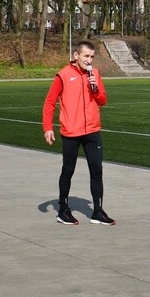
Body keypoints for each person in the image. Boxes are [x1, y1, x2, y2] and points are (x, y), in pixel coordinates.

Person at [42, 40, 115, 225]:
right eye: (86, 56)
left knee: (97, 170)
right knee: (68, 171)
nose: (89, 60)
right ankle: (63, 209)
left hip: (92, 130)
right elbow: (50, 102)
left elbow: (102, 100)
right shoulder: (63, 75)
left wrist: (95, 87)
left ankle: (97, 211)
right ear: (76, 56)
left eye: (91, 57)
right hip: (71, 132)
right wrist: (47, 127)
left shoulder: (95, 74)